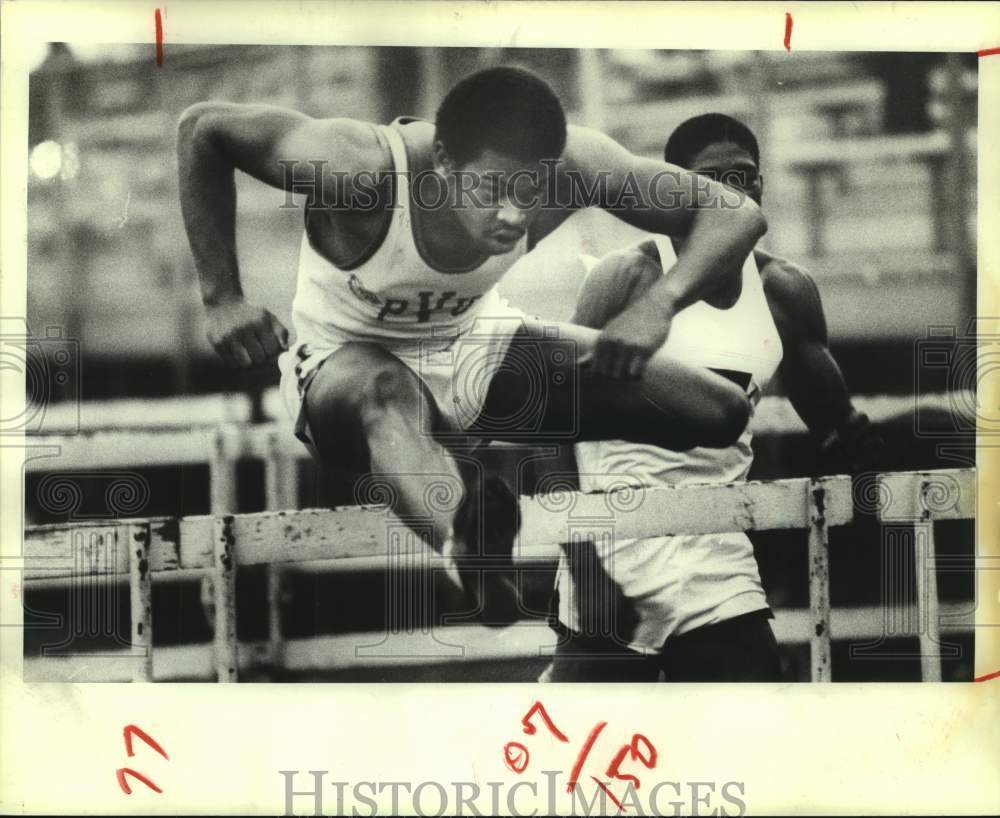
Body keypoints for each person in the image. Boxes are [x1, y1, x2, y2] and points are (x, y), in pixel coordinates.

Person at [175, 69, 765, 627]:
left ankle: (474, 486)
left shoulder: (577, 165)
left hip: (474, 344)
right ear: (443, 160)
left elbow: (736, 215)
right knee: (385, 391)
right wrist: (221, 297)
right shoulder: (359, 168)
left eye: (530, 190)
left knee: (719, 412)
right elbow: (203, 128)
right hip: (345, 367)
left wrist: (659, 304)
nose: (513, 214)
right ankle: (472, 553)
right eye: (492, 189)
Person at [543, 113, 882, 681]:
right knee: (587, 747)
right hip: (614, 546)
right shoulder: (623, 277)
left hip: (717, 554)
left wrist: (862, 447)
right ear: (677, 189)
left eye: (743, 176)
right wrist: (583, 560)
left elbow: (836, 422)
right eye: (711, 178)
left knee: (748, 734)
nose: (731, 190)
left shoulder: (783, 292)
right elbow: (556, 421)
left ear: (761, 187)